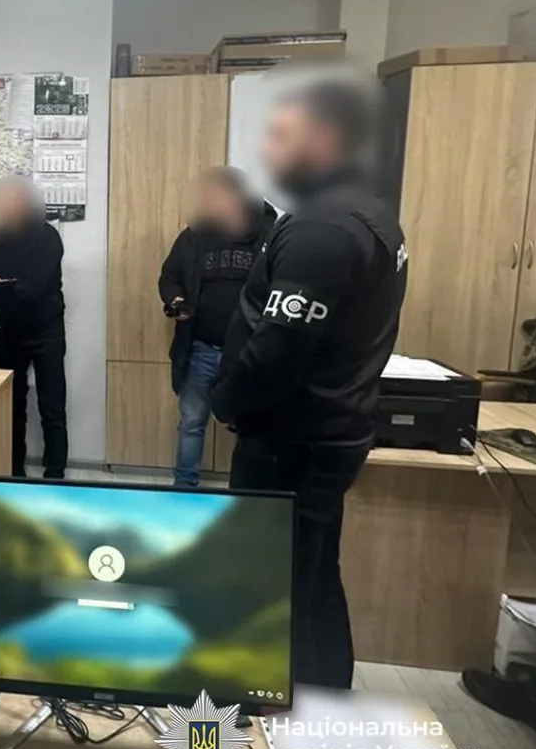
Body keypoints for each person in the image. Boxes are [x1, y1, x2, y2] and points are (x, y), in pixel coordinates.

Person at [210, 67, 408, 690]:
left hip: (290, 441)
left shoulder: (322, 228)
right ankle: (327, 701)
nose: (268, 151)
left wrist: (226, 401)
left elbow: (279, 350)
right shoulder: (368, 214)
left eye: (281, 135)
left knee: (273, 586)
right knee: (314, 575)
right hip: (329, 430)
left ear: (325, 139)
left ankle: (277, 713)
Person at [159, 167, 276, 488]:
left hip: (250, 353)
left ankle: (247, 494)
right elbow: (169, 276)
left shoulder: (272, 235)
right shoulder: (194, 235)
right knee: (192, 421)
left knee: (251, 427)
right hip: (201, 348)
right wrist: (176, 300)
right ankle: (184, 490)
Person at [0, 177, 67, 479]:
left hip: (46, 331)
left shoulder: (48, 237)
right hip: (10, 330)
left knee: (52, 407)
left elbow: (33, 288)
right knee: (11, 406)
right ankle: (14, 472)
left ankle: (55, 475)